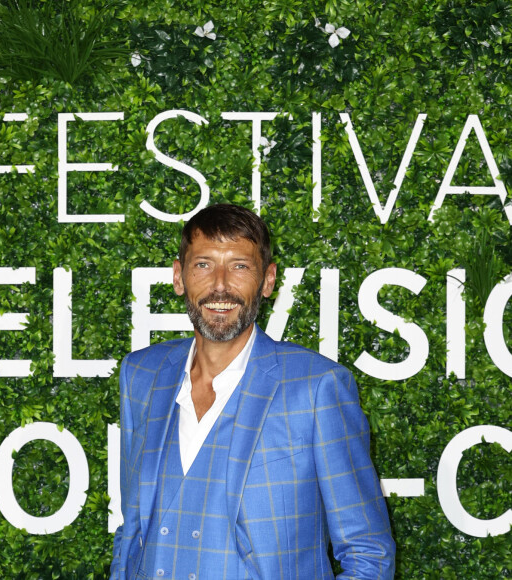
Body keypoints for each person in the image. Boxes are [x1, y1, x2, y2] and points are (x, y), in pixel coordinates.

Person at [111, 204, 395, 579]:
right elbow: (132, 531)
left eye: (240, 266)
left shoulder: (316, 386)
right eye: (204, 264)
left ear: (268, 280)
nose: (221, 285)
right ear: (179, 277)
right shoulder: (142, 375)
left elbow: (368, 553)